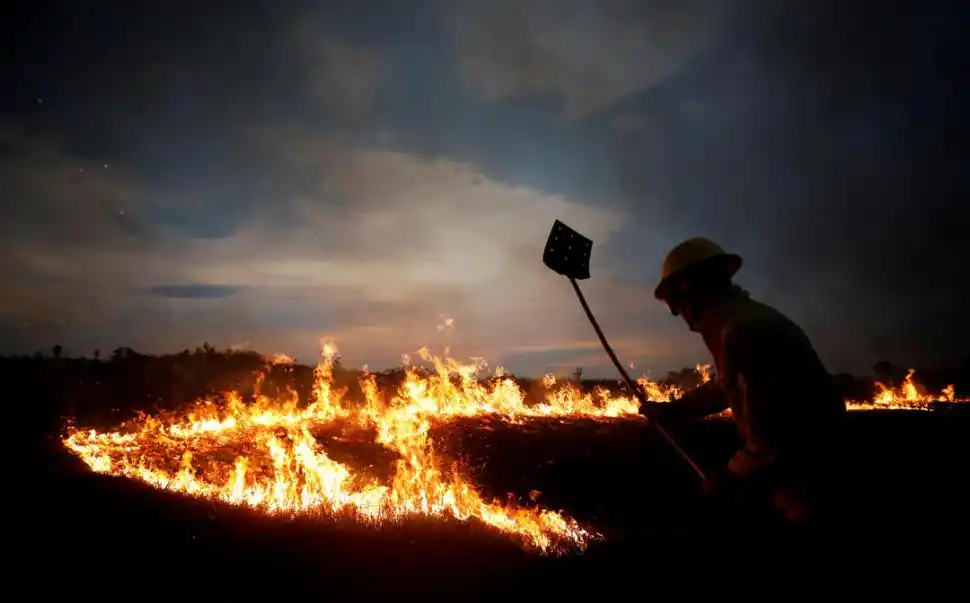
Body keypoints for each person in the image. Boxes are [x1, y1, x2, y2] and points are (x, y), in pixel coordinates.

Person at [641, 237, 848, 524]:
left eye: (675, 303)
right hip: (803, 464)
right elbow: (723, 388)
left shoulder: (747, 331)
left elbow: (769, 433)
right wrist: (670, 411)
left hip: (809, 472)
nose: (679, 315)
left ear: (691, 292)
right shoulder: (742, 322)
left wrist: (729, 476)